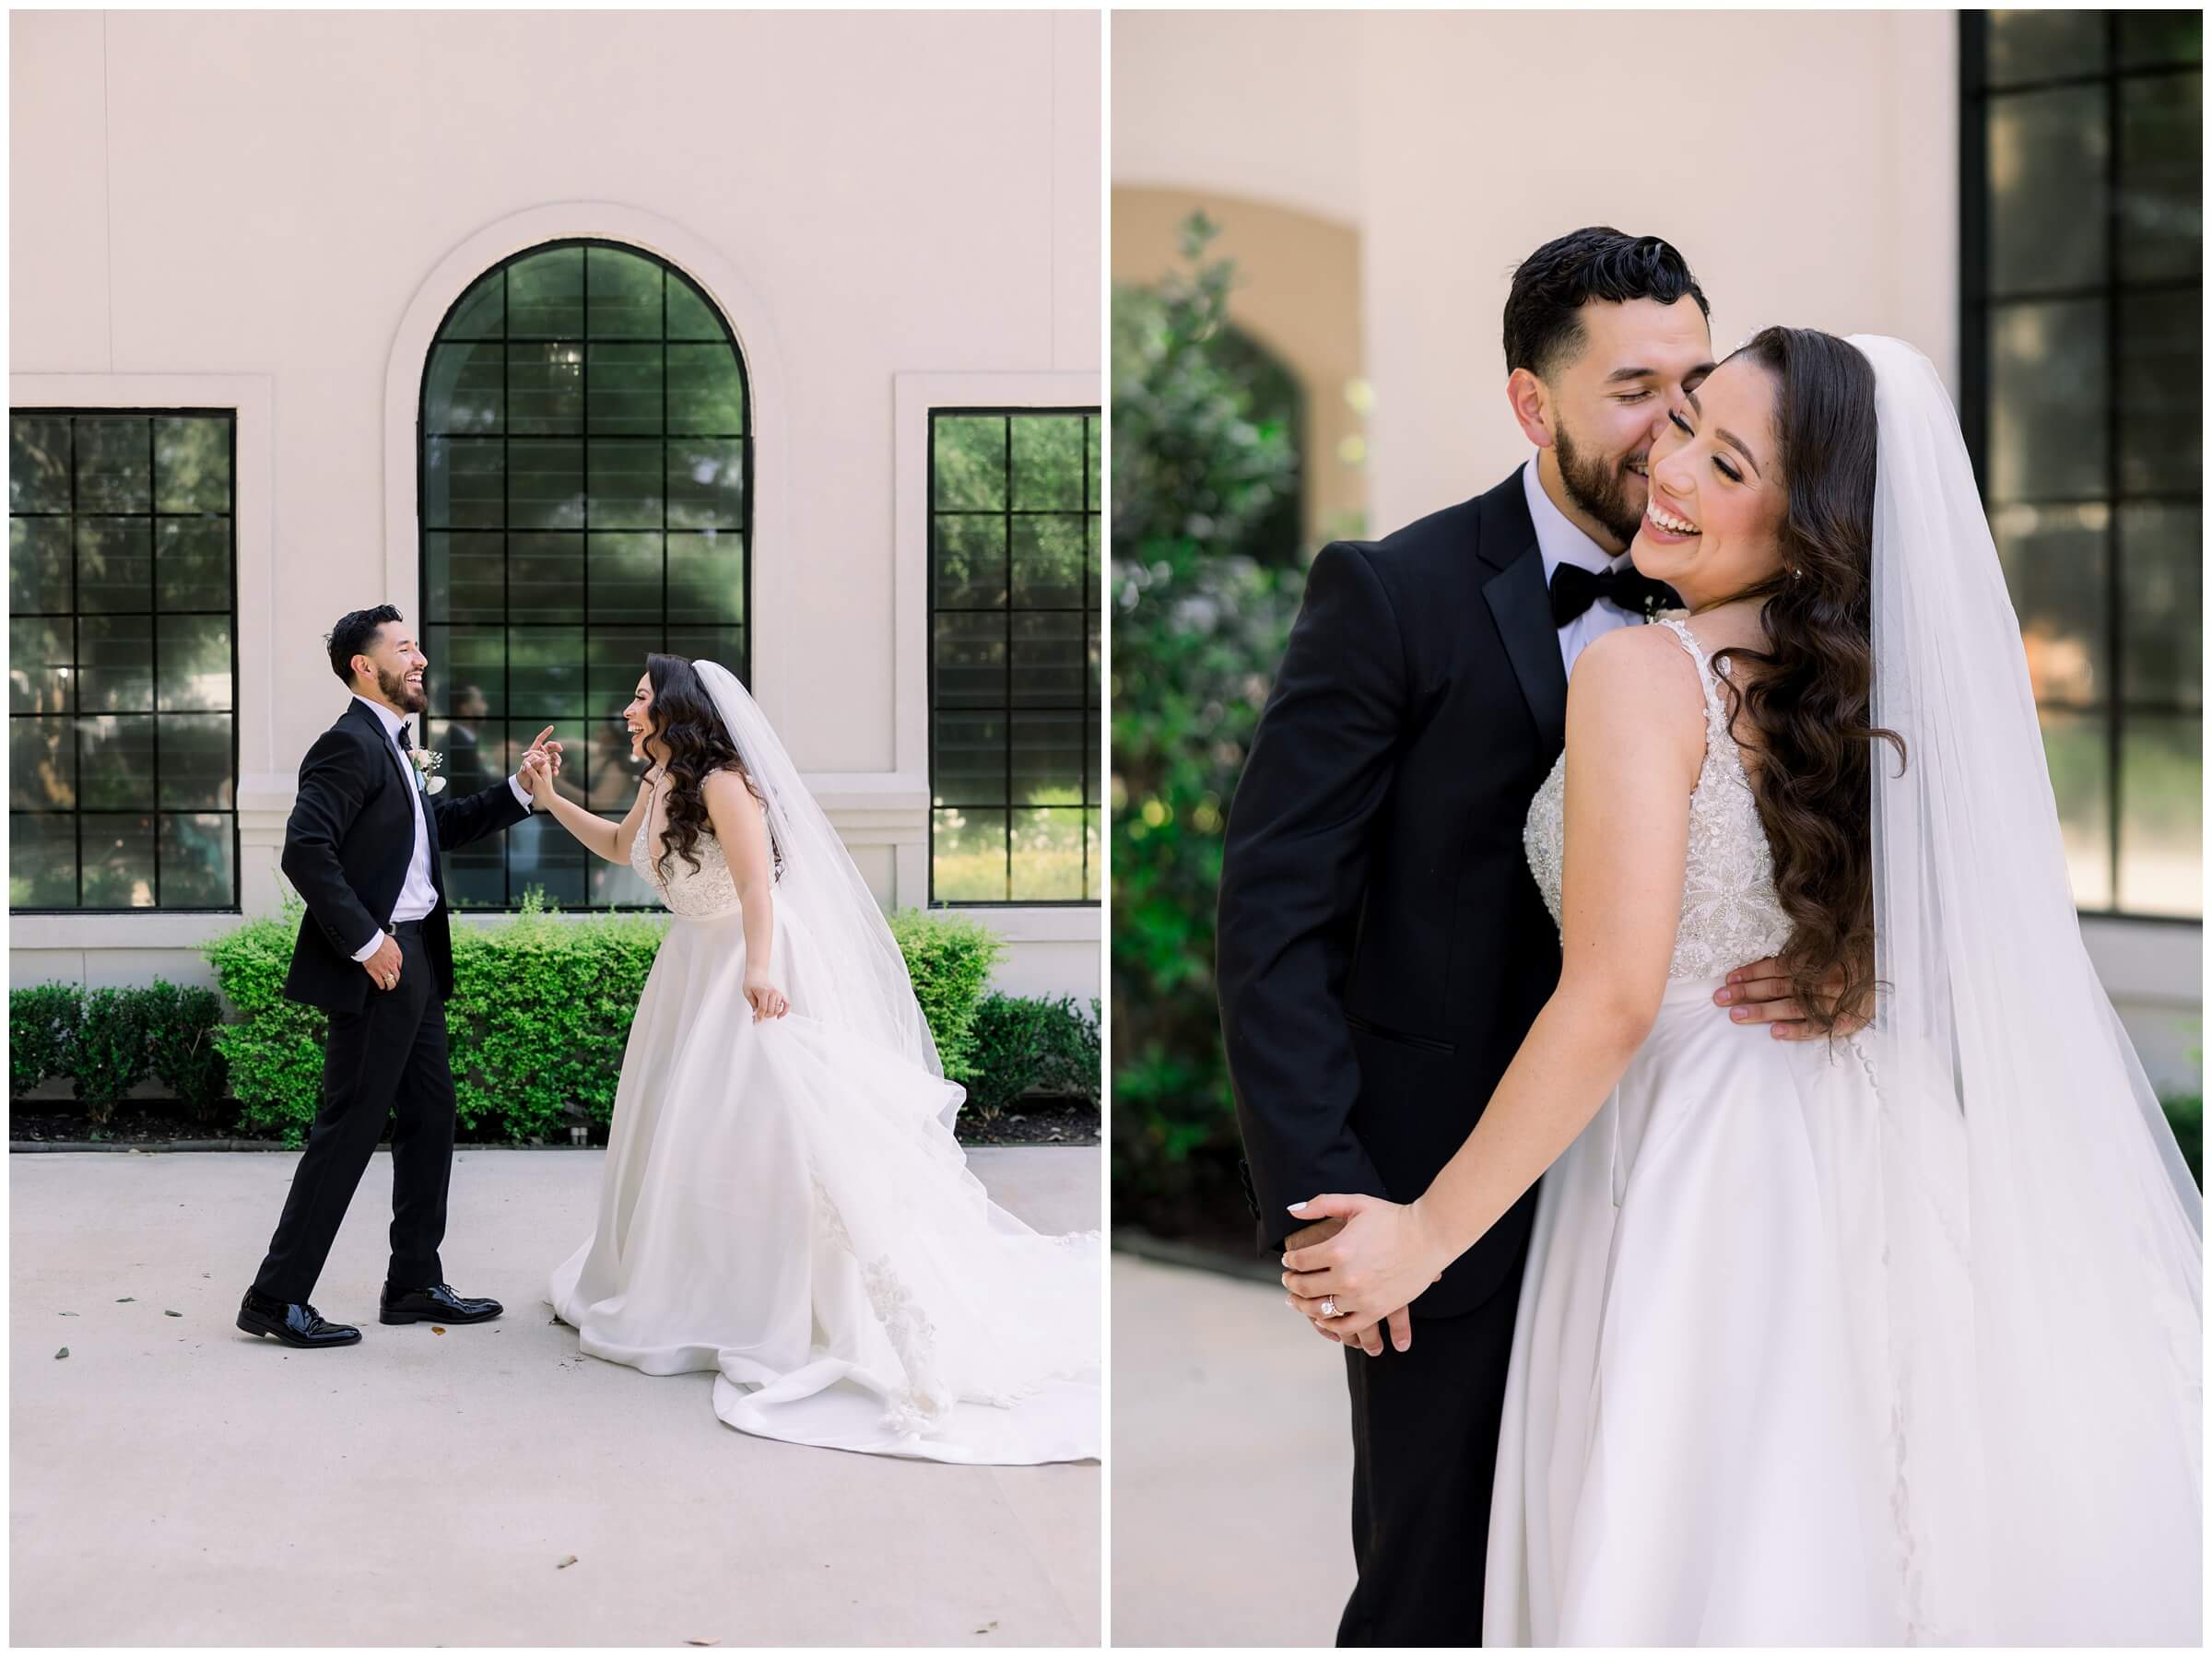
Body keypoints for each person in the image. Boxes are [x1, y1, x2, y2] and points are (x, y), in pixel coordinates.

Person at [1281, 330, 2203, 1642]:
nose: (1669, 468)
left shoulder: (1639, 675)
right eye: (1682, 425)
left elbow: (1608, 996)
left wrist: (1422, 1237)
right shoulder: (1884, 692)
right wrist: (1858, 961)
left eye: (1725, 461)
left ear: (1817, 522)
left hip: (1691, 1162)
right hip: (1877, 1143)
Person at [1218, 227, 1809, 1645]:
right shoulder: (1393, 594)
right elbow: (1276, 912)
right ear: (1530, 404)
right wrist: (1332, 1213)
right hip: (1446, 1207)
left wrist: (1843, 959)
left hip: (1694, 1184)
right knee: (1436, 1590)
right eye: (1632, 388)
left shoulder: (1776, 600)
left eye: (1696, 386)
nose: (1673, 429)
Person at [530, 654, 1100, 1463]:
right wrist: (549, 798)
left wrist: (760, 969)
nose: (628, 710)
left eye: (641, 698)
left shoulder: (724, 781)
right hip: (691, 967)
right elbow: (622, 846)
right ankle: (690, 1282)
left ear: (677, 711)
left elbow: (759, 888)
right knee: (688, 1133)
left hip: (746, 964)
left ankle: (767, 1301)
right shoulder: (661, 780)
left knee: (757, 1136)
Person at [238, 605, 557, 1348]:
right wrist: (367, 943)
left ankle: (413, 1282)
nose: (419, 659)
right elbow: (304, 850)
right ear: (363, 666)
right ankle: (274, 1297)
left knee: (430, 1117)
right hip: (379, 965)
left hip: (415, 956)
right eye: (403, 649)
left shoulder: (405, 746)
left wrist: (519, 790)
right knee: (348, 1129)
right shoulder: (346, 746)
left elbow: (432, 833)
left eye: (418, 648)